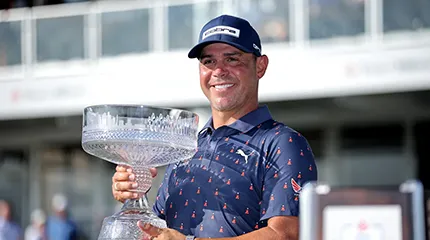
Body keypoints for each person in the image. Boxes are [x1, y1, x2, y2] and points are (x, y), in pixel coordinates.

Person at [112, 14, 318, 240]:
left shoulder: (282, 142)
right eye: (208, 61)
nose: (218, 71)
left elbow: (285, 235)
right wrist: (135, 199)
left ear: (260, 66)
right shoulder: (187, 147)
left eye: (232, 59)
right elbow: (159, 232)